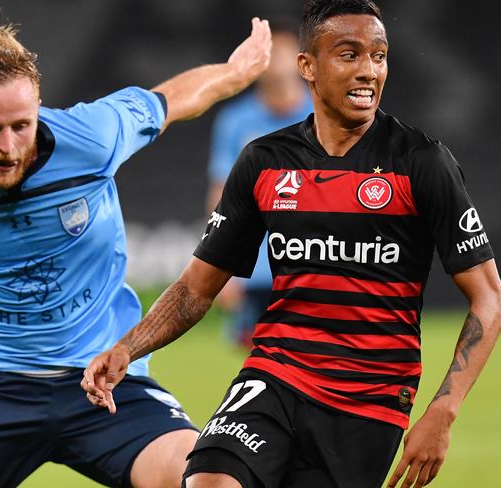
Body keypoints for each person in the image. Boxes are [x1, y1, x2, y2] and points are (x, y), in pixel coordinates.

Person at [82, 1, 501, 487]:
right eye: (349, 55)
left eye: (379, 56)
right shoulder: (265, 160)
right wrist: (127, 348)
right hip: (275, 373)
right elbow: (198, 287)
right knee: (207, 482)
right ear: (308, 66)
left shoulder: (422, 162)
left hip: (367, 399)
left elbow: (488, 297)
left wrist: (443, 411)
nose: (368, 70)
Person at [0, 11, 272, 488]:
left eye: (21, 125)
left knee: (208, 481)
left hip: (105, 381)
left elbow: (173, 99)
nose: (9, 147)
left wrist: (237, 72)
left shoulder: (92, 137)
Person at [206, 18, 313, 348]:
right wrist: (219, 264)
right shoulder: (236, 120)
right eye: (268, 55)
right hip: (256, 265)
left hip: (316, 261)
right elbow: (220, 191)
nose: (275, 63)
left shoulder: (324, 114)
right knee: (258, 360)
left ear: (300, 60)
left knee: (318, 355)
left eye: (281, 53)